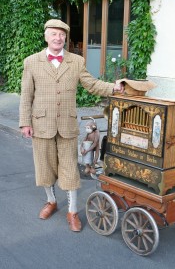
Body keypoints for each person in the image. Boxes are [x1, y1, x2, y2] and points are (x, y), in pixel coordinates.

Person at [19, 19, 124, 232]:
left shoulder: (76, 61)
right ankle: (51, 202)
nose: (58, 38)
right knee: (45, 168)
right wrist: (25, 123)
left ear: (65, 38)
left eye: (62, 35)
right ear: (46, 36)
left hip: (66, 124)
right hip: (41, 124)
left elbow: (92, 84)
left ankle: (72, 211)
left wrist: (113, 88)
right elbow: (26, 95)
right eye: (54, 34)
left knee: (69, 170)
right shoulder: (31, 61)